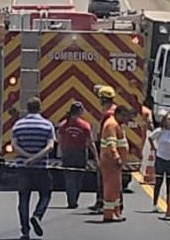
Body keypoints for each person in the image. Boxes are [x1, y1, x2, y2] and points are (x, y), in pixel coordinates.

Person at [12, 96, 56, 239]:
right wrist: (36, 158)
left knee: (23, 198)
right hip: (41, 167)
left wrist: (27, 157)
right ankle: (37, 215)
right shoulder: (47, 125)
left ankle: (25, 231)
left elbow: (14, 146)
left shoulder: (18, 125)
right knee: (46, 194)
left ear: (27, 108)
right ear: (40, 108)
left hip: (23, 167)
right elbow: (50, 146)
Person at [57, 101, 95, 209]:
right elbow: (90, 142)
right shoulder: (85, 125)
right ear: (80, 111)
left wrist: (61, 152)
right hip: (80, 153)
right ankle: (74, 199)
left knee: (69, 178)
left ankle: (71, 200)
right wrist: (96, 157)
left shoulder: (64, 124)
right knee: (78, 178)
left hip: (67, 153)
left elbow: (59, 140)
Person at [99, 104, 133, 222]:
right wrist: (117, 157)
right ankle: (109, 214)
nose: (126, 119)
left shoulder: (117, 124)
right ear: (118, 114)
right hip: (110, 162)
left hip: (115, 164)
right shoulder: (111, 125)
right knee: (111, 187)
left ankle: (115, 212)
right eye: (124, 116)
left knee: (116, 187)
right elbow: (111, 144)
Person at [87, 85, 117, 213]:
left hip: (107, 150)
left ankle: (104, 204)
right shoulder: (113, 110)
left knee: (105, 178)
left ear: (104, 100)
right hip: (110, 148)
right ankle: (104, 203)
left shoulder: (108, 114)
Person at [149, 112, 170, 210]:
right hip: (160, 158)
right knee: (158, 182)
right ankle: (154, 204)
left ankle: (169, 205)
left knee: (169, 183)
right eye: (169, 119)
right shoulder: (159, 131)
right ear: (164, 121)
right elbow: (150, 137)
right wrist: (153, 147)